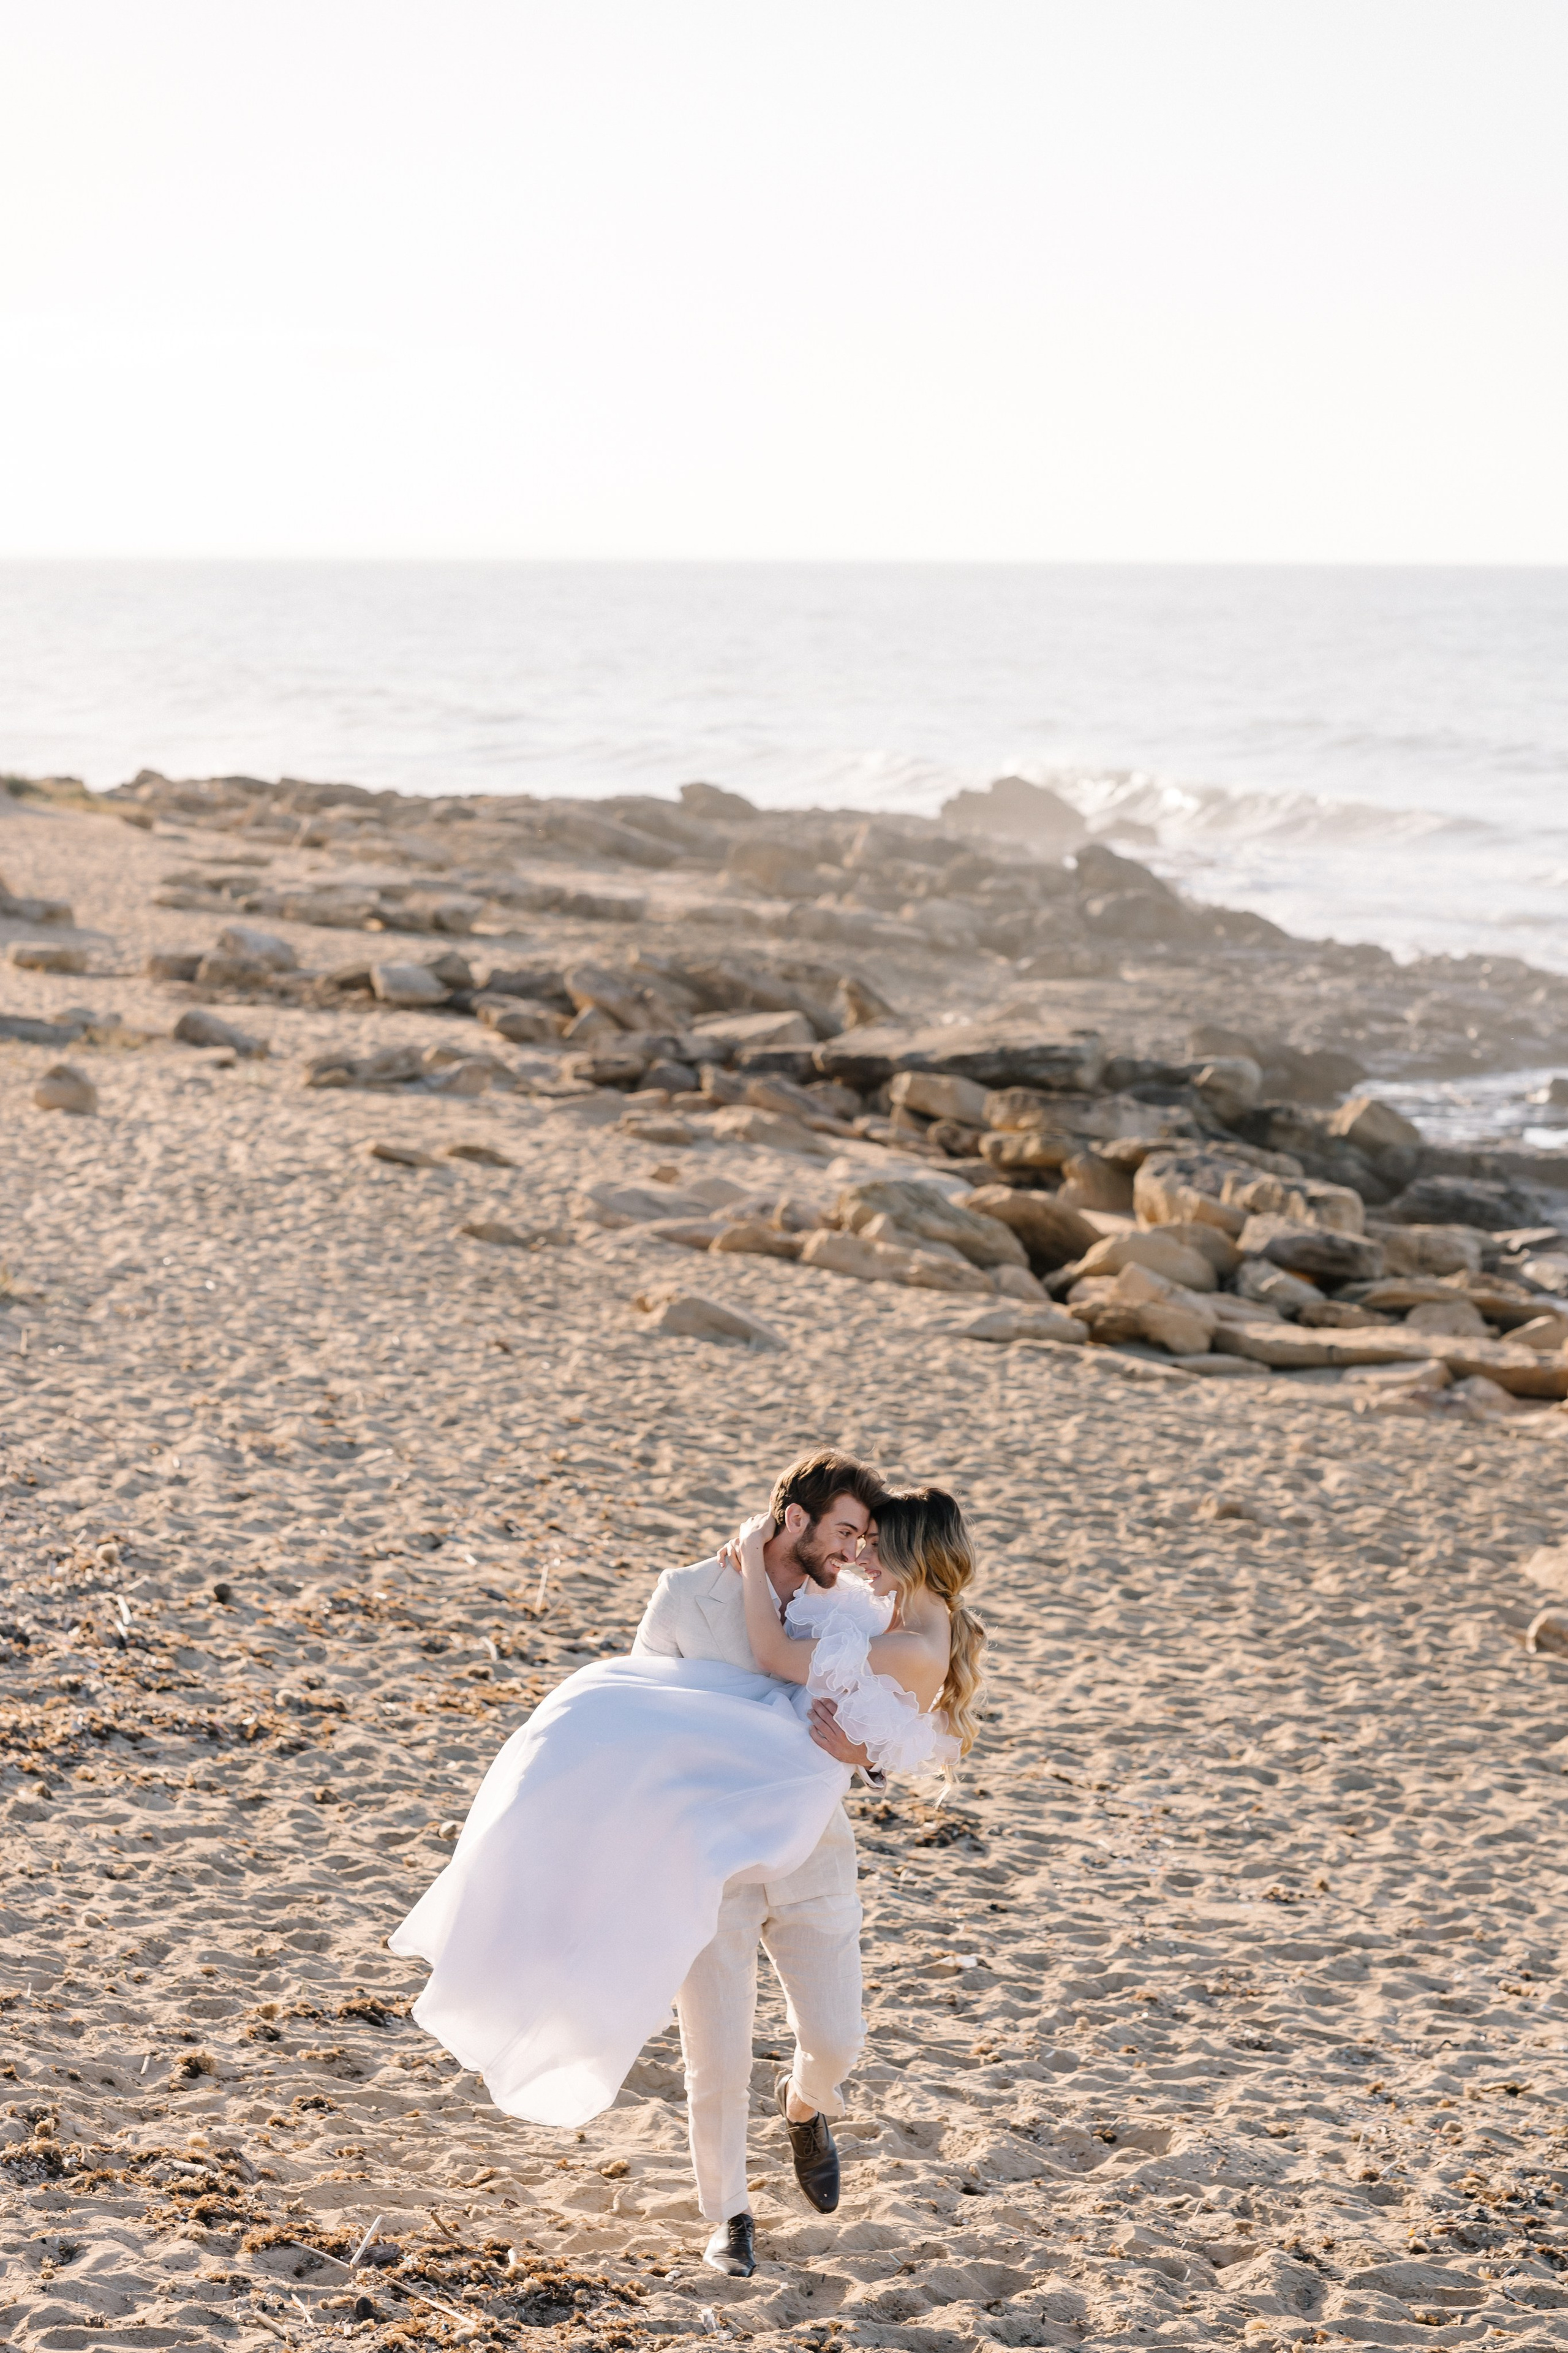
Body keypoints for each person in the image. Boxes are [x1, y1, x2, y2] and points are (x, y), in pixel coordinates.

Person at [387, 1453, 982, 2285]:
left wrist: (868, 1759)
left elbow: (887, 1707)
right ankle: (728, 2214)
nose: (854, 1551)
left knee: (839, 2037)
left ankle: (807, 2104)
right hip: (702, 1862)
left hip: (809, 1848)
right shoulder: (684, 1595)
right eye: (845, 1531)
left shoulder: (849, 1603)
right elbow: (643, 1720)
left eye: (866, 1537)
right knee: (717, 2053)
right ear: (793, 1521)